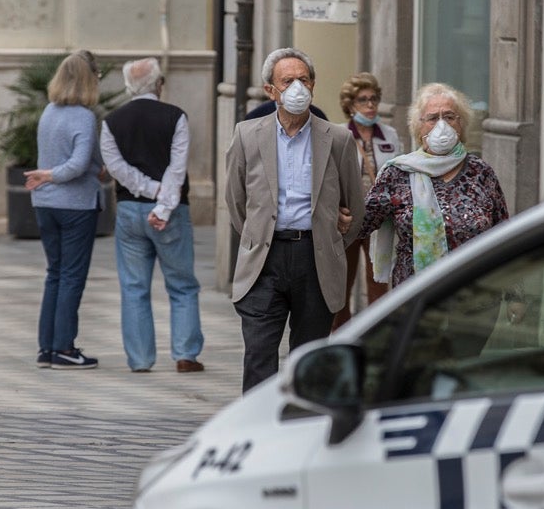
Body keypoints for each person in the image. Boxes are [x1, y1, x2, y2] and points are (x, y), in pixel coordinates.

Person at [226, 47, 364, 393]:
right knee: (259, 354)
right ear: (270, 90)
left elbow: (354, 205)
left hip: (314, 259)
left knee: (309, 358)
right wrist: (258, 236)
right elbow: (235, 201)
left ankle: (302, 428)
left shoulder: (338, 139)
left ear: (314, 85)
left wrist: (332, 240)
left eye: (303, 79)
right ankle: (258, 432)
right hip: (265, 259)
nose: (297, 88)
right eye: (288, 81)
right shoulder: (247, 135)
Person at [100, 57, 205, 374]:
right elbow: (178, 167)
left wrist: (147, 189)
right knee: (182, 285)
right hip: (172, 212)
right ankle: (185, 354)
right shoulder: (176, 117)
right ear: (159, 84)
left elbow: (116, 168)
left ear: (130, 87)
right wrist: (163, 202)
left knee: (134, 287)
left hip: (130, 209)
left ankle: (140, 359)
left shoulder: (111, 121)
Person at [360, 82, 510, 287]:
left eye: (449, 117)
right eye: (432, 118)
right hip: (417, 296)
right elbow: (361, 223)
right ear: (418, 126)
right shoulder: (398, 173)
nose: (442, 125)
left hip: (476, 297)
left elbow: (503, 234)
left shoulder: (481, 172)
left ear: (461, 123)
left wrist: (514, 294)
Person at [24, 50, 105, 370]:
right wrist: (51, 174)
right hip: (74, 205)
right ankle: (64, 348)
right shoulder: (84, 116)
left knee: (54, 274)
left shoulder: (49, 111)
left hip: (45, 203)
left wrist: (47, 176)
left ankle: (47, 347)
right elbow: (78, 163)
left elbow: (79, 157)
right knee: (72, 276)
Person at [331, 72, 403, 330]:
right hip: (348, 219)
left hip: (379, 220)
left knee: (379, 280)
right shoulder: (338, 135)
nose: (370, 105)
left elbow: (399, 173)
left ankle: (377, 336)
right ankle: (340, 335)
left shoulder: (390, 135)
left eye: (374, 99)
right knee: (341, 283)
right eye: (363, 100)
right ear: (350, 105)